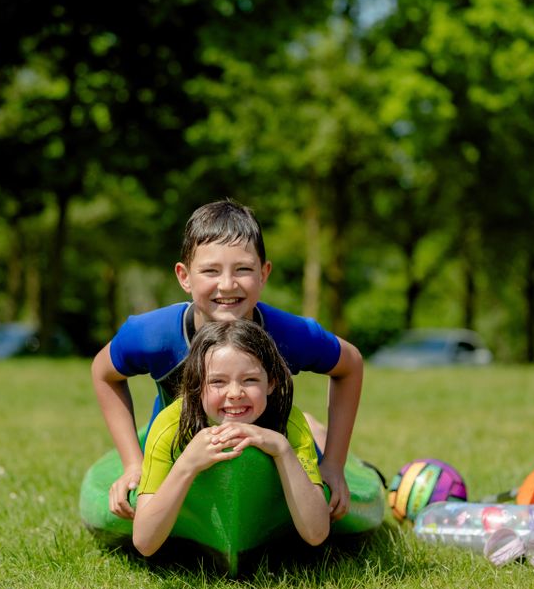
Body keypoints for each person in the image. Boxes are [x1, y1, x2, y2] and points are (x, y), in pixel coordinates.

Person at [91, 199, 363, 521]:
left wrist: (332, 463)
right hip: (179, 450)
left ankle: (314, 430)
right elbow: (103, 371)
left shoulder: (289, 334)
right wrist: (133, 464)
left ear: (264, 273)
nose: (227, 285)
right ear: (184, 276)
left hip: (269, 445)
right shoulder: (153, 335)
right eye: (210, 271)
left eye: (243, 269)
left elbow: (351, 364)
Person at [132, 320, 330, 556]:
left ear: (271, 383)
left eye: (250, 380)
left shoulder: (289, 423)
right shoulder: (170, 426)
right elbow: (144, 542)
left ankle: (319, 431)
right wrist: (187, 464)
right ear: (196, 384)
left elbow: (316, 534)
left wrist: (282, 449)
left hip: (296, 432)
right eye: (217, 381)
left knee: (313, 431)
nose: (235, 393)